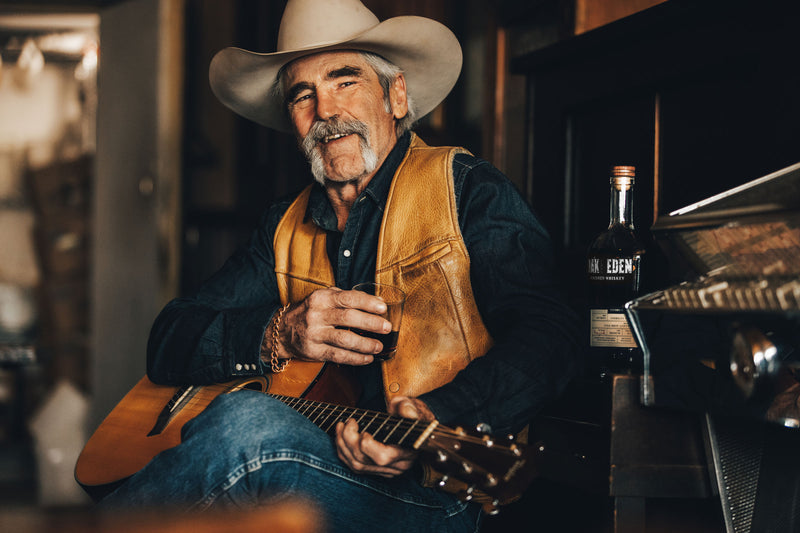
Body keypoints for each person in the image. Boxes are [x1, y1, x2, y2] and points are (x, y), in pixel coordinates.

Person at [99, 0, 581, 531]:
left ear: (395, 95)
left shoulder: (467, 189)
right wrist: (276, 335)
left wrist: (437, 415)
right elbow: (169, 337)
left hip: (444, 495)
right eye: (303, 95)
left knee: (245, 422)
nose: (325, 111)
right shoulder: (282, 225)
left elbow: (551, 333)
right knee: (244, 421)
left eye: (344, 81)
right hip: (319, 470)